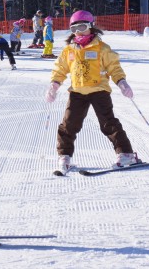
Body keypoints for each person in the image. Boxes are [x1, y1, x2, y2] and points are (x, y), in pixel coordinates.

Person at [44, 10, 141, 175]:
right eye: (74, 29)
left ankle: (126, 154)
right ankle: (65, 157)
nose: (78, 32)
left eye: (82, 27)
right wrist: (53, 85)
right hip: (77, 92)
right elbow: (60, 69)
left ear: (91, 26)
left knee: (108, 123)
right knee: (69, 125)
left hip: (99, 91)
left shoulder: (102, 48)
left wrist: (122, 82)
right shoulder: (69, 50)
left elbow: (114, 67)